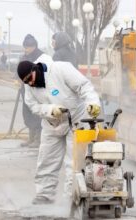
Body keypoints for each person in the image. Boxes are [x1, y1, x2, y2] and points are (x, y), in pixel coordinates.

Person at [16, 60, 101, 205]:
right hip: (52, 124)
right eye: (26, 82)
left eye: (30, 79)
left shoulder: (61, 69)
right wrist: (50, 110)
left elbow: (84, 86)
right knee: (46, 159)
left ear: (35, 69)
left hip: (76, 121)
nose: (30, 84)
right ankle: (44, 194)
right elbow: (33, 106)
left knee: (74, 162)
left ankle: (72, 197)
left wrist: (93, 103)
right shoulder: (29, 86)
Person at [19, 34, 52, 148]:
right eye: (25, 47)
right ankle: (31, 137)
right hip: (25, 89)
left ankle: (38, 139)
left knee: (37, 114)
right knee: (27, 114)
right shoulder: (24, 56)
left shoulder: (41, 57)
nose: (26, 49)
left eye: (27, 47)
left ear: (34, 46)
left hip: (37, 90)